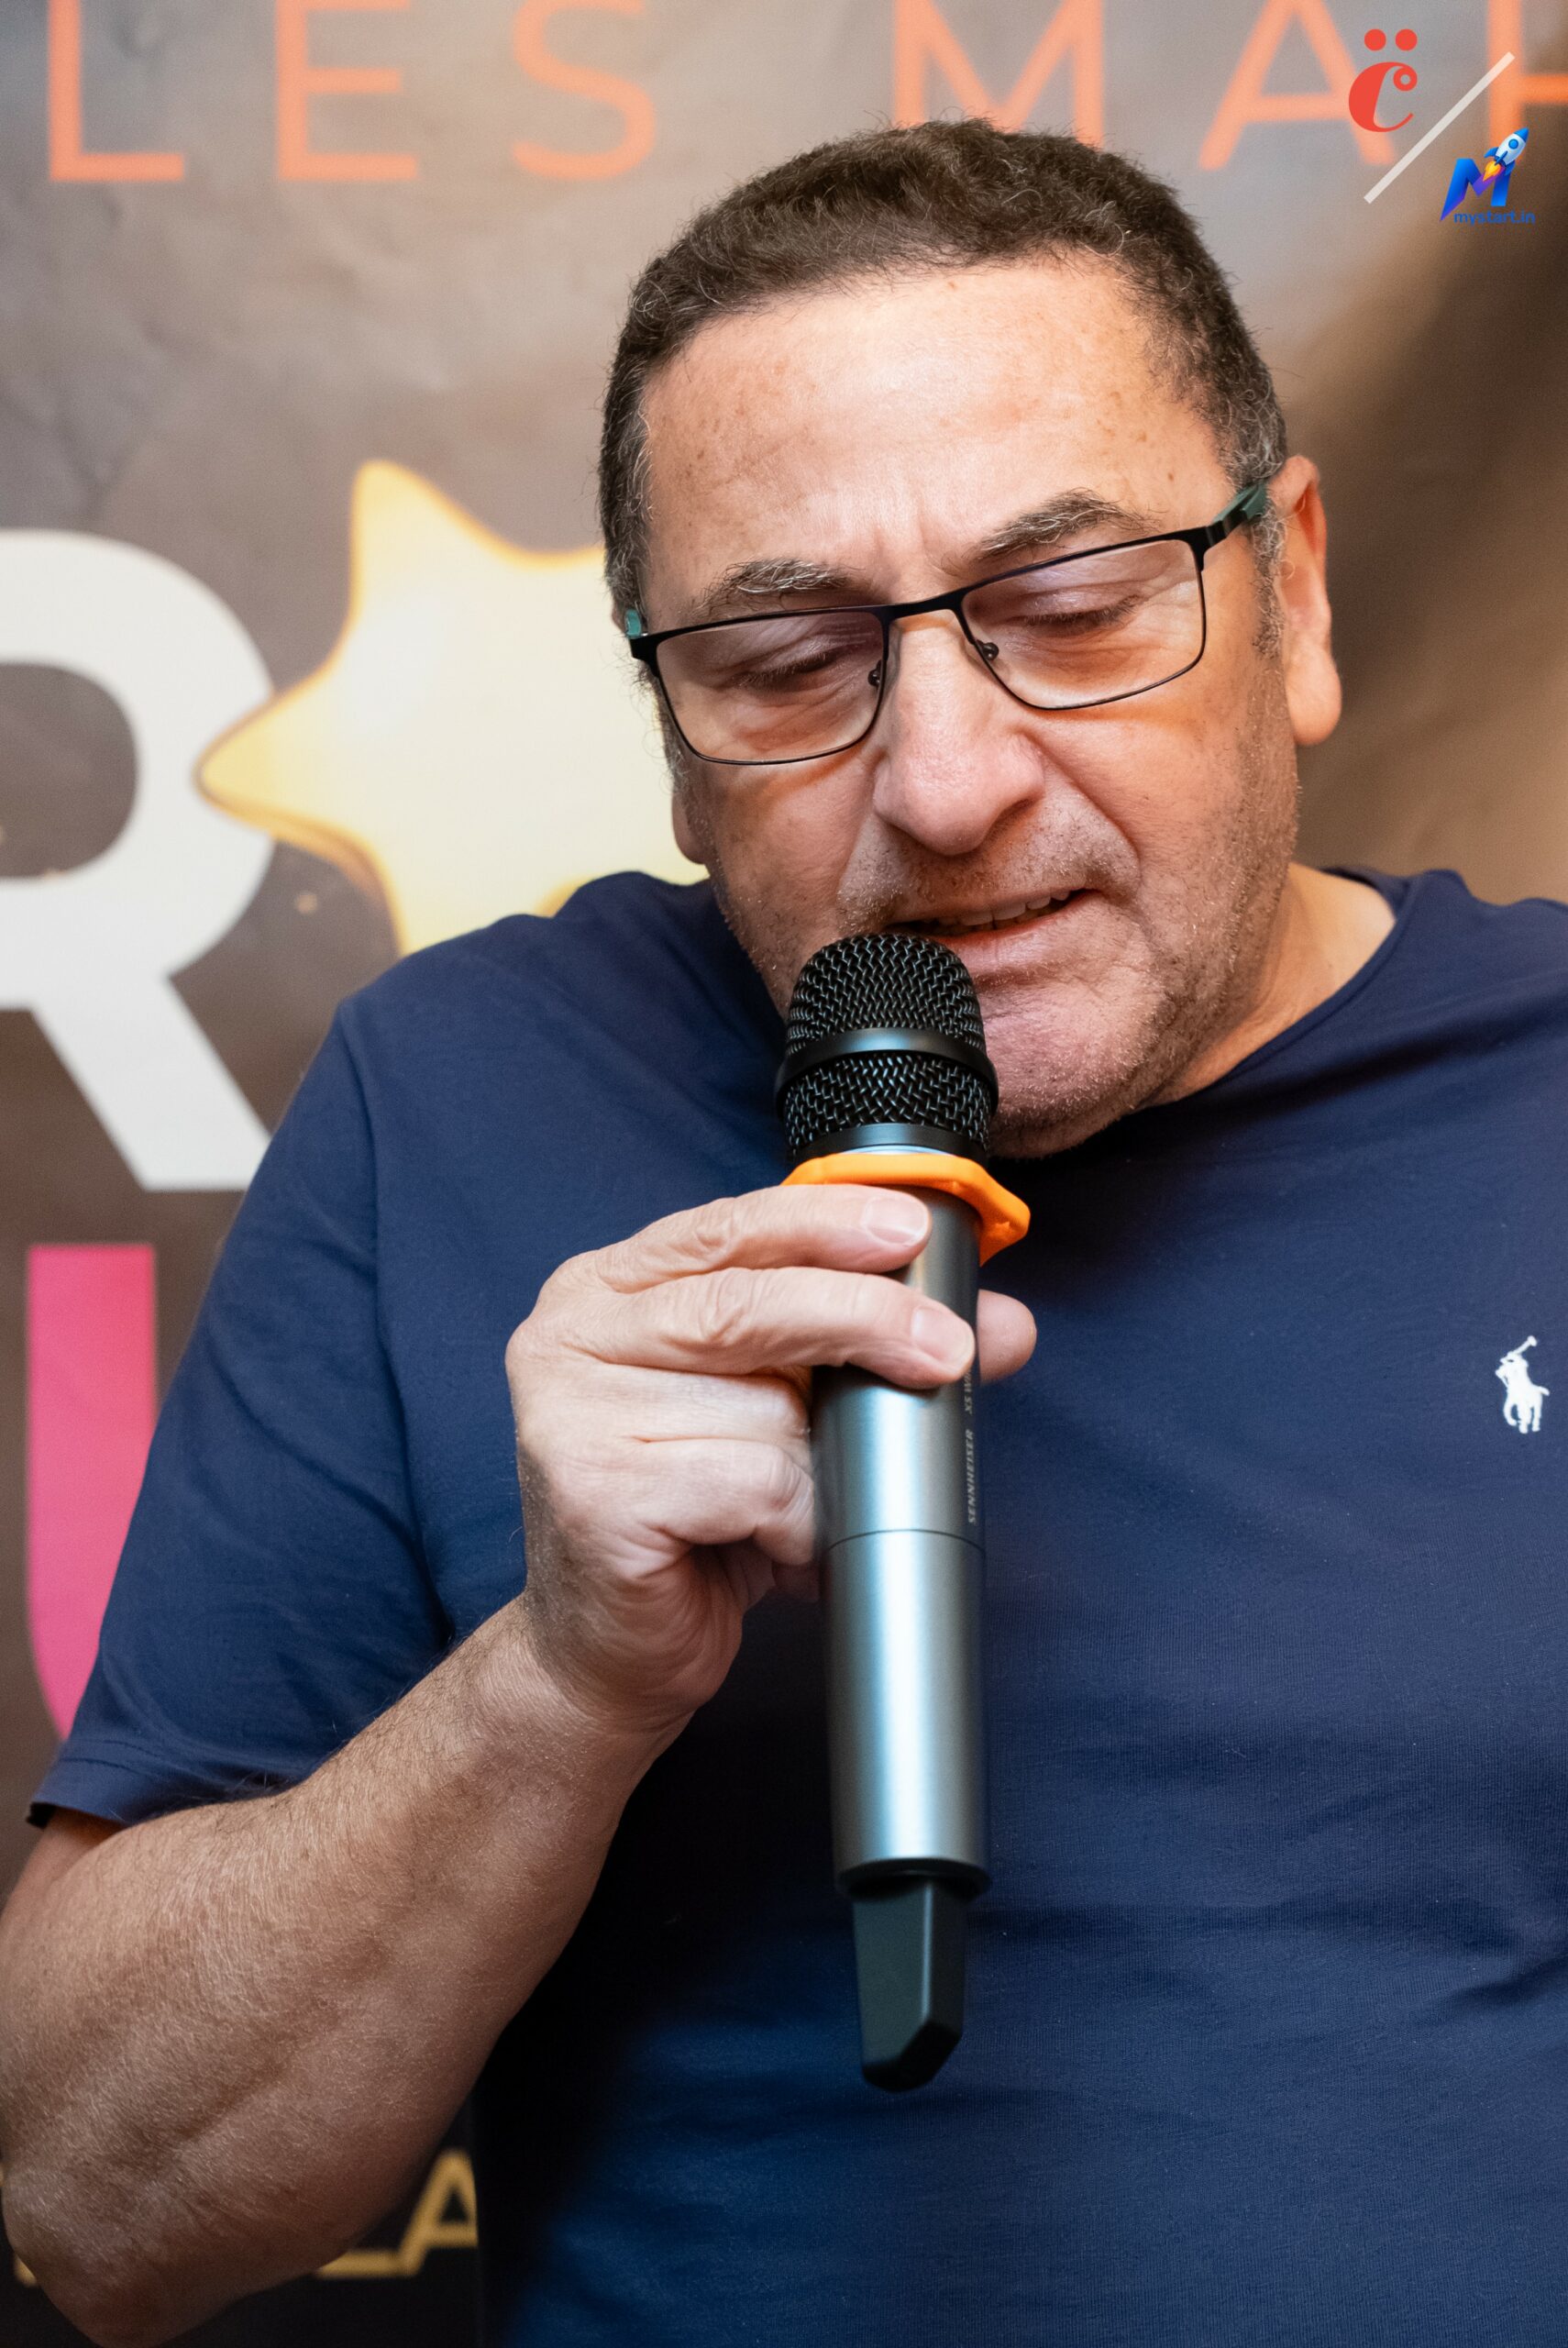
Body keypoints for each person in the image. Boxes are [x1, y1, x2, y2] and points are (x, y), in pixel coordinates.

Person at [3, 116, 1566, 2348]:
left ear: (1291, 593)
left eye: (1072, 609)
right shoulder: (457, 1093)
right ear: (668, 728)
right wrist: (553, 1685)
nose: (944, 782)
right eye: (785, 660)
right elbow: (94, 2199)